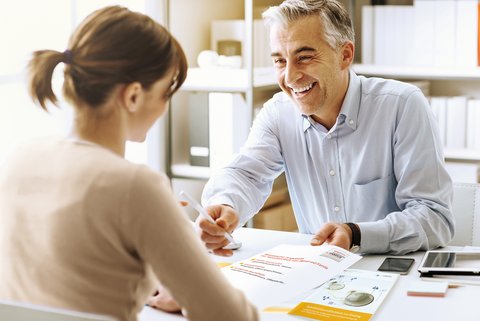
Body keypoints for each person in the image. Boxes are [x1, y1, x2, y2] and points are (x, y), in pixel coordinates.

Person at [0, 6, 258, 321]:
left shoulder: (19, 158)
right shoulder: (135, 186)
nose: (165, 107)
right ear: (133, 96)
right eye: (166, 93)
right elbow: (231, 316)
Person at [199, 0, 454, 256]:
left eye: (305, 57)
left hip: (391, 272)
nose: (289, 77)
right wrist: (225, 204)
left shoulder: (402, 106)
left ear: (345, 55)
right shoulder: (278, 113)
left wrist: (356, 234)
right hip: (318, 272)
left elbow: (435, 219)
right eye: (279, 61)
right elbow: (246, 175)